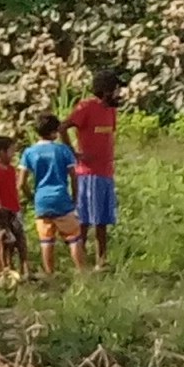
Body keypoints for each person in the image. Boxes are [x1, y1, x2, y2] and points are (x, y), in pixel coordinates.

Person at [66, 75, 123, 267]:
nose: (119, 93)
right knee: (84, 220)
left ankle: (101, 260)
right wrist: (74, 153)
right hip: (89, 174)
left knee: (102, 221)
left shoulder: (111, 110)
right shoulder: (86, 107)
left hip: (106, 172)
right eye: (116, 89)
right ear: (106, 91)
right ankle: (80, 262)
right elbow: (63, 126)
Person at [21, 115, 79, 263]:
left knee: (46, 241)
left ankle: (49, 273)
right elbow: (74, 177)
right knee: (73, 237)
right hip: (61, 198)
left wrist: (32, 198)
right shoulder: (63, 150)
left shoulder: (29, 152)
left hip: (41, 200)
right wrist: (75, 198)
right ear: (54, 132)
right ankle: (82, 270)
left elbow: (21, 183)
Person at [0, 134, 30, 273]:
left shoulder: (11, 170)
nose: (13, 154)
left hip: (14, 210)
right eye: (11, 151)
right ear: (2, 152)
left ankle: (23, 268)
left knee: (19, 239)